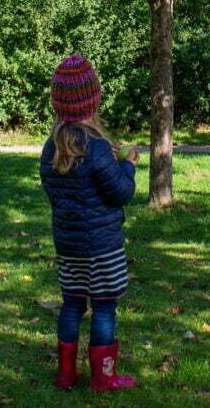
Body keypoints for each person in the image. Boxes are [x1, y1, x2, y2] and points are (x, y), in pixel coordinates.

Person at [39, 54, 139, 392]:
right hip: (102, 247)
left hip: (68, 245)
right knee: (104, 307)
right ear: (92, 100)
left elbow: (55, 194)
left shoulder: (50, 149)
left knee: (71, 304)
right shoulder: (96, 148)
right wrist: (128, 165)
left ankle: (66, 374)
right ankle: (104, 377)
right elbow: (120, 193)